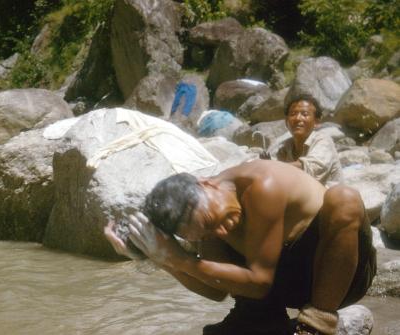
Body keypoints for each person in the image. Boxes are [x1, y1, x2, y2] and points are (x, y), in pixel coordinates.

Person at [105, 159, 376, 335]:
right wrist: (161, 259)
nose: (221, 232)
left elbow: (260, 283)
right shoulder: (207, 220)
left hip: (340, 278)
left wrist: (182, 260)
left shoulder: (261, 185)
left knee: (344, 198)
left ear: (208, 184)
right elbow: (215, 290)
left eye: (213, 221)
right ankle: (262, 321)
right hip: (285, 284)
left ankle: (316, 325)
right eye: (206, 232)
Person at [265, 94, 342, 188]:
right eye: (293, 114)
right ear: (286, 122)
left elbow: (312, 168)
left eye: (304, 114)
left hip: (325, 196)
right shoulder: (286, 146)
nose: (298, 118)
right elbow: (274, 163)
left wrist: (273, 166)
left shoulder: (323, 140)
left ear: (316, 122)